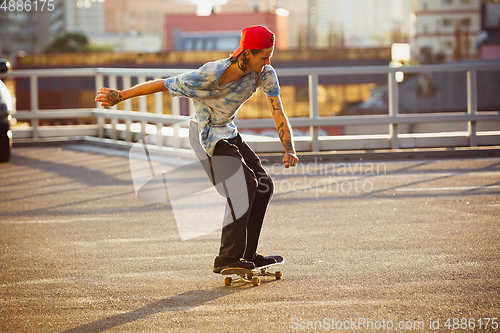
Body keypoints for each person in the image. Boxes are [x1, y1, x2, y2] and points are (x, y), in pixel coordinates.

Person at [95, 25, 299, 273]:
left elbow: (278, 110)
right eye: (263, 56)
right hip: (204, 136)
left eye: (270, 56)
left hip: (227, 131)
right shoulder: (209, 74)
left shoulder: (264, 74)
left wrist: (289, 148)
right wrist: (120, 95)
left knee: (264, 184)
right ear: (247, 53)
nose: (268, 62)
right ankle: (227, 257)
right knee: (244, 184)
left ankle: (248, 254)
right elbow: (163, 84)